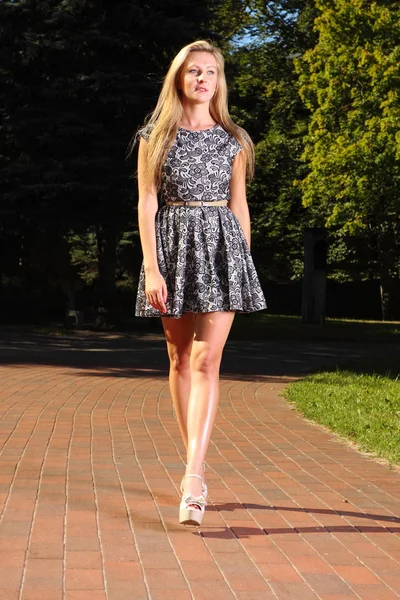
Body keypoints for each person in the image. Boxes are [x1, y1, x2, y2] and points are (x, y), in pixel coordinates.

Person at [134, 40, 266, 526]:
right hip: (171, 246)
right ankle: (193, 461)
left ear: (219, 81)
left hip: (220, 248)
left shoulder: (234, 138)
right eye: (193, 71)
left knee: (208, 358)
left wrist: (242, 261)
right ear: (179, 78)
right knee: (179, 357)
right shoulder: (155, 135)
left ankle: (194, 474)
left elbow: (239, 204)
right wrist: (152, 265)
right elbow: (147, 202)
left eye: (210, 72)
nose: (202, 79)